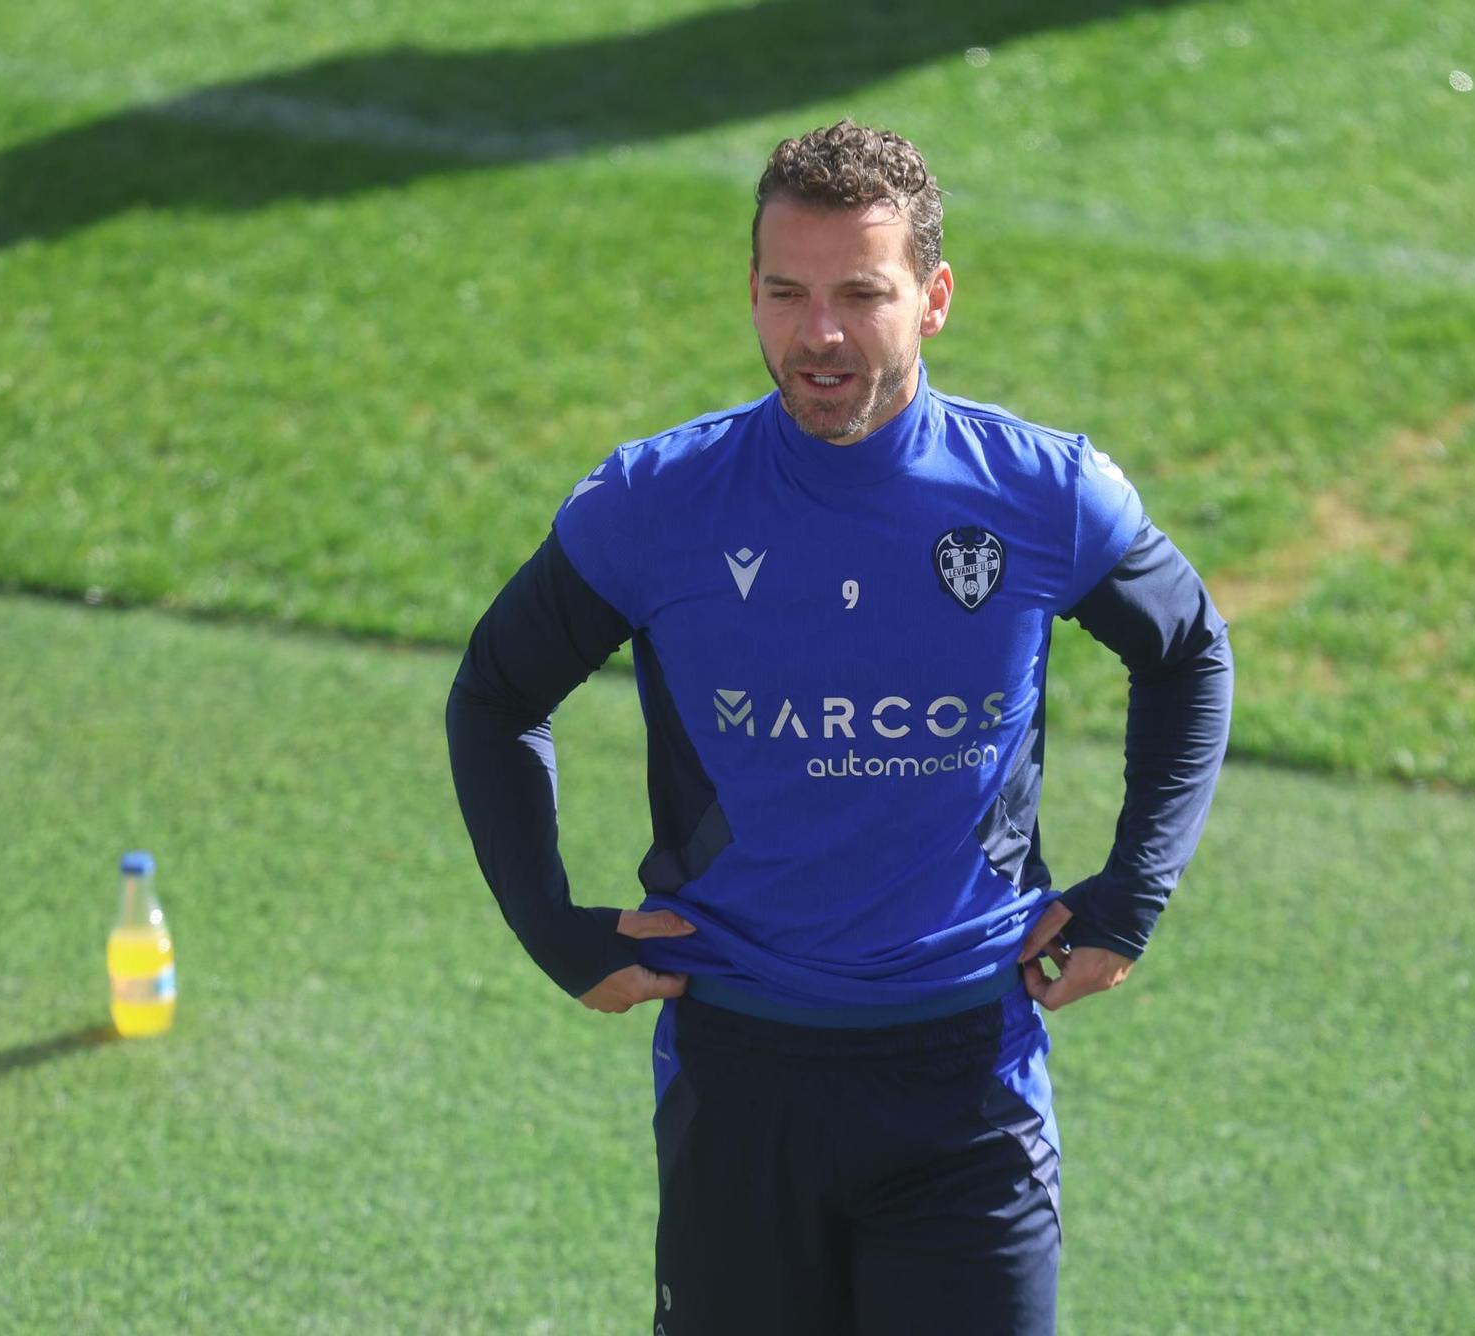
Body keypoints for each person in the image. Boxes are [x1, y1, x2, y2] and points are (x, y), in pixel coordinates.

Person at [445, 120, 1233, 1335]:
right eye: (785, 293)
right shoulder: (654, 504)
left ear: (933, 299)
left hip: (968, 1080)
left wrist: (1133, 894)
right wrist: (553, 928)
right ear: (750, 293)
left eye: (861, 293)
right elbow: (496, 694)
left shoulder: (1041, 493)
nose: (817, 334)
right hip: (739, 1071)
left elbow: (1186, 652)